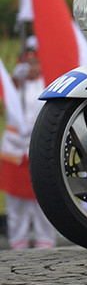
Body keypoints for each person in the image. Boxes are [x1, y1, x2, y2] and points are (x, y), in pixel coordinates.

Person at [0, 46, 58, 249]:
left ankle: (45, 241)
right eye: (28, 63)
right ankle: (19, 242)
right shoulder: (12, 87)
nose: (32, 67)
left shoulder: (48, 84)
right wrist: (15, 81)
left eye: (35, 62)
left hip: (39, 149)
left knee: (44, 201)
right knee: (16, 205)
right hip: (15, 151)